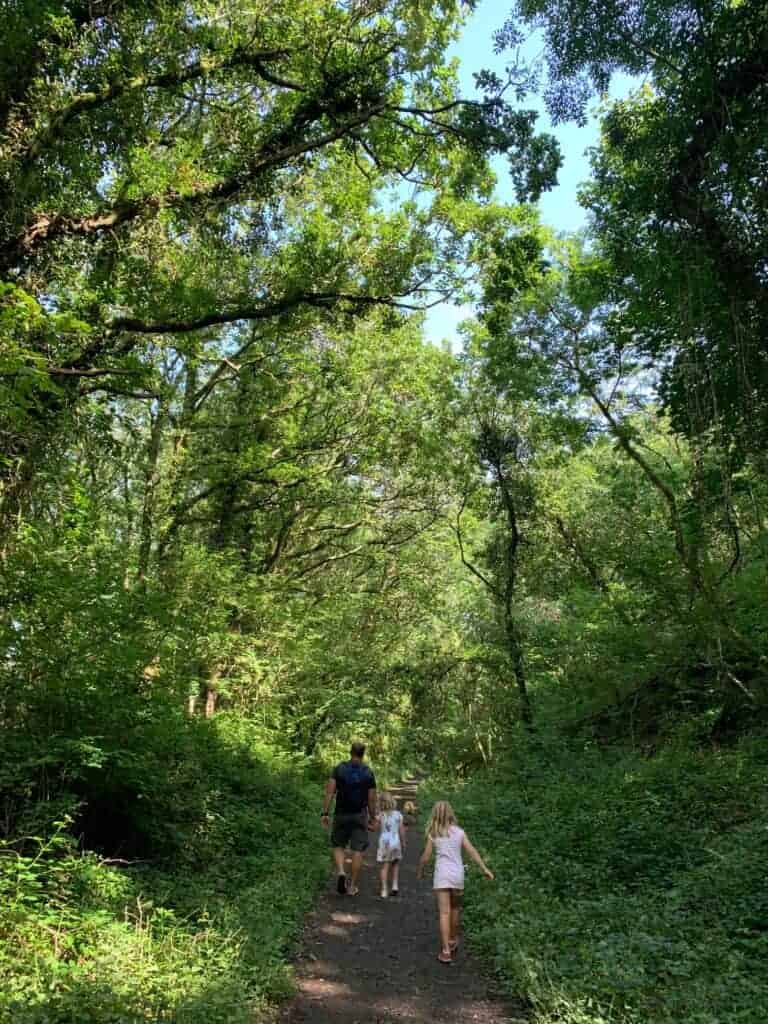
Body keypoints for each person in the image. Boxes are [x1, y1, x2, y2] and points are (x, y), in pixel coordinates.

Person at [416, 800, 494, 963]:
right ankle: (453, 939)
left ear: (435, 814)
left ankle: (445, 951)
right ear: (451, 813)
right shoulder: (459, 832)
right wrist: (484, 868)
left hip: (442, 876)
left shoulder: (434, 833)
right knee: (455, 909)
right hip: (457, 875)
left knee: (444, 913)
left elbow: (425, 857)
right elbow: (471, 851)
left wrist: (420, 870)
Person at [321, 742, 377, 896]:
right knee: (358, 850)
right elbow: (371, 799)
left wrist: (324, 813)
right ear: (363, 754)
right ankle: (352, 886)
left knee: (338, 845)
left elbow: (330, 792)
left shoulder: (339, 768)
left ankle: (340, 871)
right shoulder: (368, 772)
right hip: (359, 815)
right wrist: (373, 818)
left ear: (350, 752)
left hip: (341, 814)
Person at [376, 792, 405, 899]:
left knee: (384, 866)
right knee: (396, 864)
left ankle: (384, 889)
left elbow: (374, 827)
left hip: (384, 842)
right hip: (395, 842)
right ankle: (395, 886)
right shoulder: (398, 815)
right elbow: (402, 831)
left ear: (381, 803)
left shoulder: (381, 815)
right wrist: (404, 842)